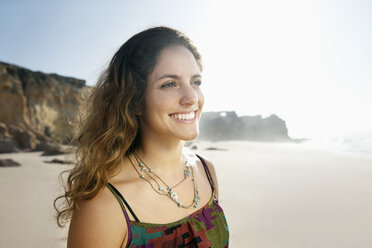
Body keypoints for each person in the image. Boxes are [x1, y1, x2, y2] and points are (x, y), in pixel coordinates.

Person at [54, 26, 229, 248]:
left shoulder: (206, 171)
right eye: (169, 84)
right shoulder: (103, 205)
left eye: (195, 82)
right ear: (135, 100)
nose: (191, 97)